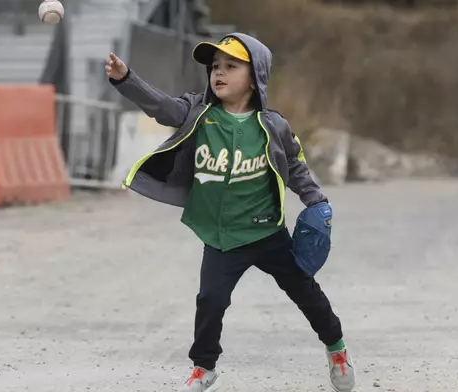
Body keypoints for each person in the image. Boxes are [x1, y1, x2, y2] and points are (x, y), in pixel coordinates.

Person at [105, 33, 356, 392]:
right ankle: (203, 368)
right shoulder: (199, 114)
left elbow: (297, 166)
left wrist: (316, 201)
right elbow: (162, 107)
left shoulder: (273, 126)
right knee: (210, 300)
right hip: (222, 237)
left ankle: (337, 348)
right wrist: (126, 79)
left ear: (254, 77)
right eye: (214, 67)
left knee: (306, 292)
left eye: (230, 66)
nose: (218, 73)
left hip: (268, 233)